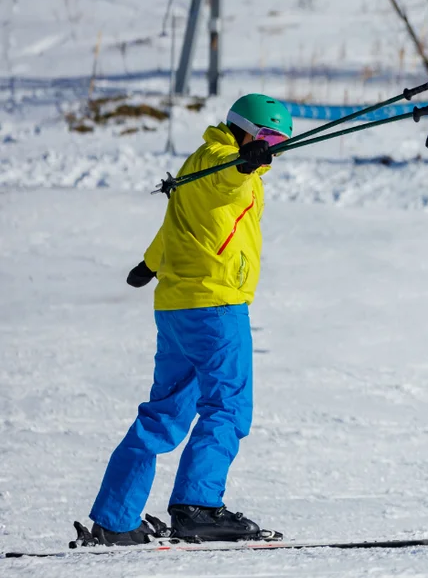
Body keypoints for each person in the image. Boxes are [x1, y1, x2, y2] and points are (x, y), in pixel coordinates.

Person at [83, 94, 291, 545]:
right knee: (228, 407)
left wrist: (152, 262)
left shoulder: (200, 163)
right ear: (243, 130)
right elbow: (225, 180)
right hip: (217, 307)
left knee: (165, 412)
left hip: (178, 306)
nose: (275, 147)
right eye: (268, 137)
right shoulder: (224, 162)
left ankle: (116, 518)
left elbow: (182, 223)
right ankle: (197, 505)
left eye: (281, 140)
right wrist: (243, 164)